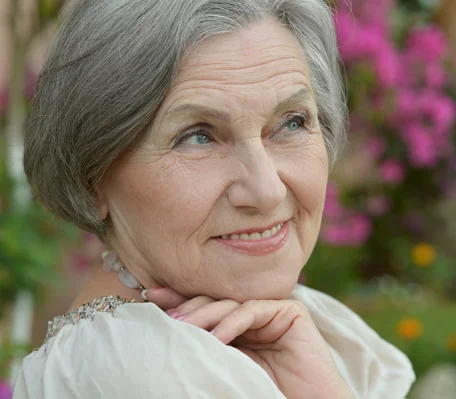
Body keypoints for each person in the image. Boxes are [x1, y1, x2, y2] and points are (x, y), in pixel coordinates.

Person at [12, 0, 415, 397]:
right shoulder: (144, 369)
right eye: (198, 136)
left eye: (292, 122)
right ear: (92, 177)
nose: (267, 190)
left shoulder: (294, 327)